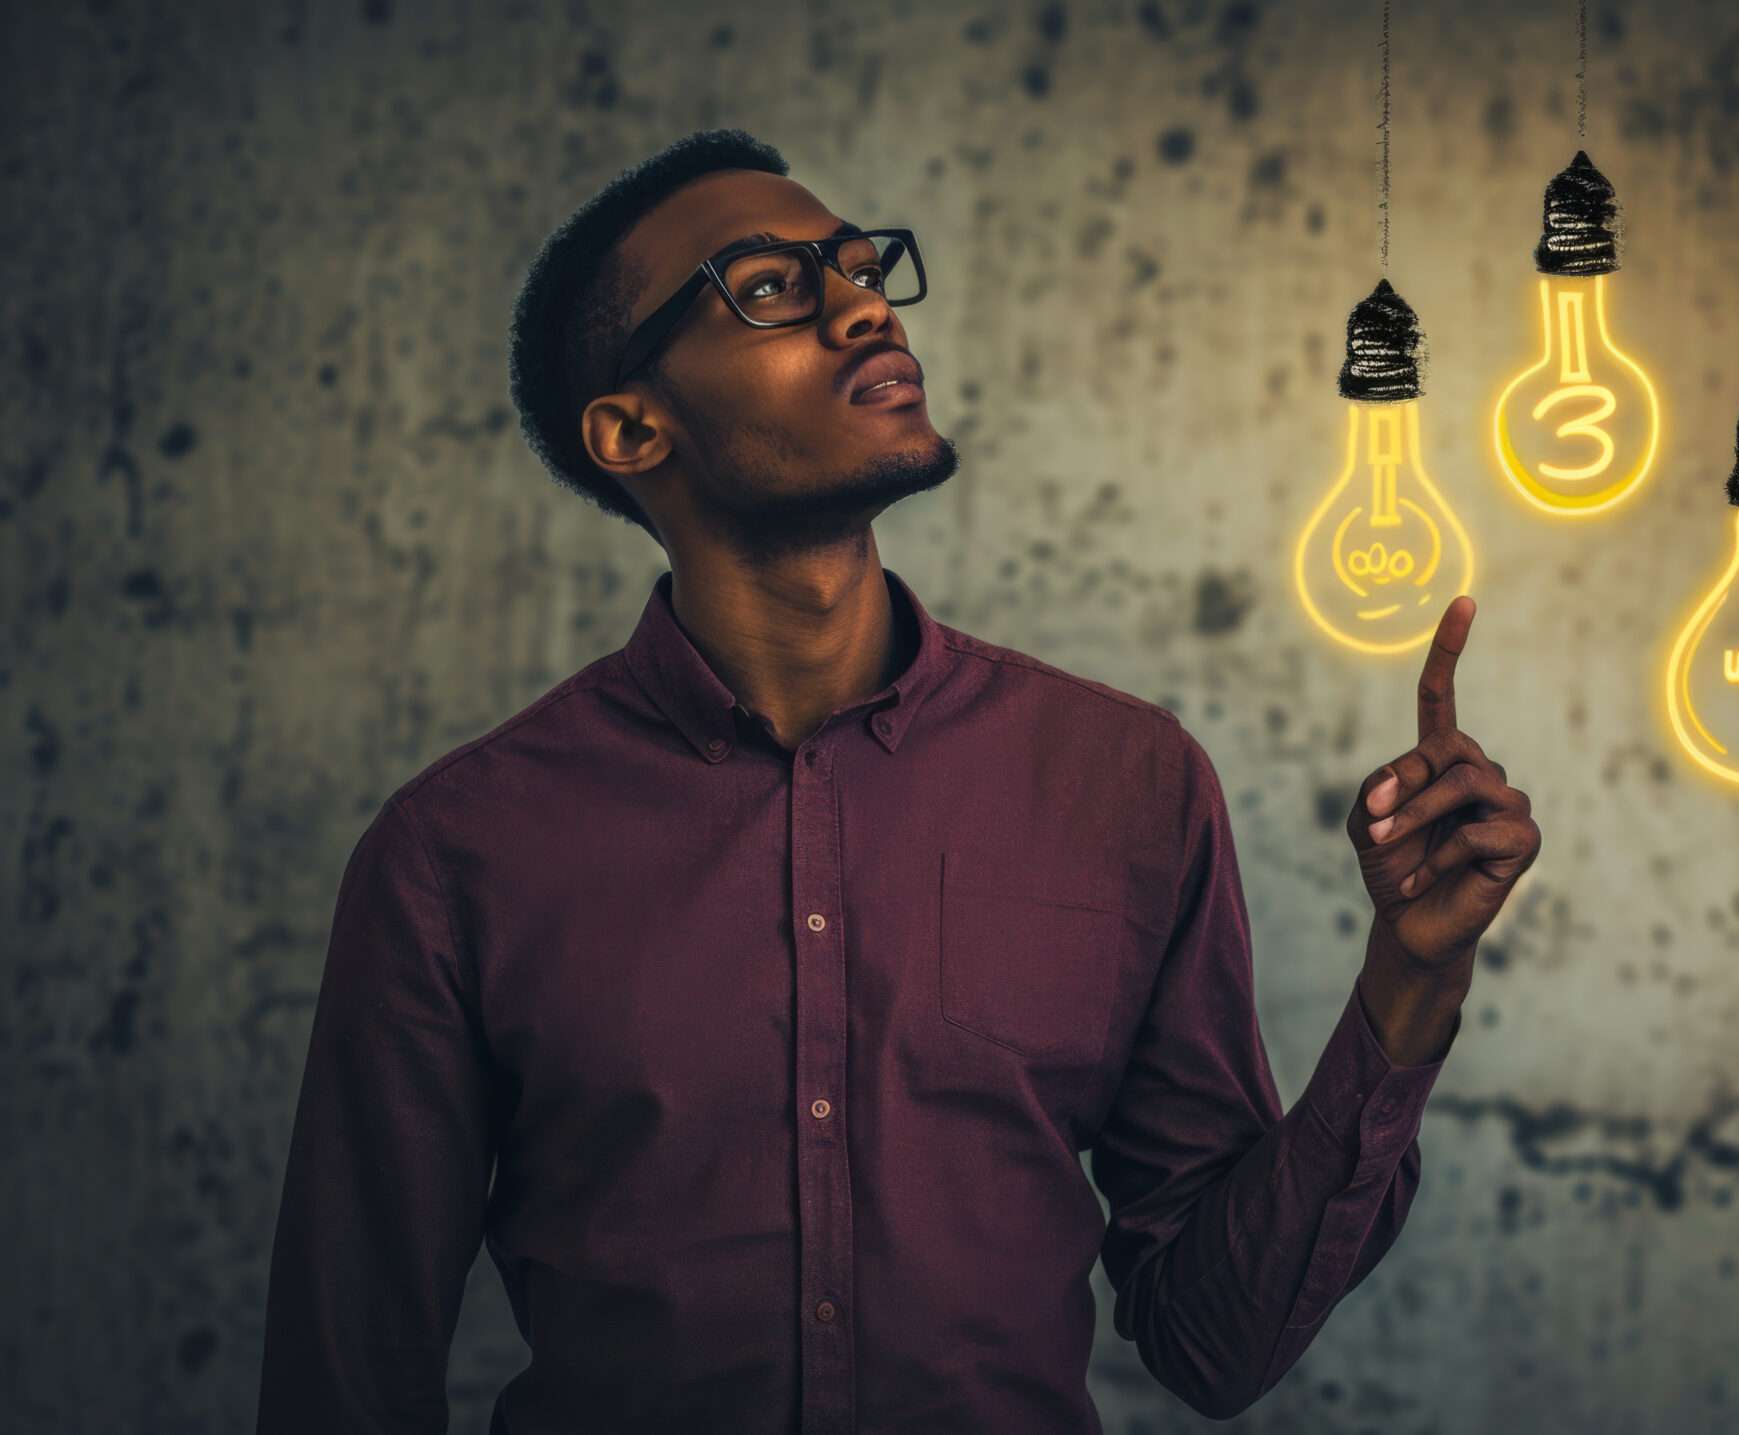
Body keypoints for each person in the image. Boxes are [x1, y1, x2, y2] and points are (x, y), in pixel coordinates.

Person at [255, 128, 1540, 1434]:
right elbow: (345, 1380)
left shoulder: (1125, 787)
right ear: (633, 428)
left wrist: (1413, 974)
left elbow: (1214, 1343)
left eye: (866, 270)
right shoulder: (457, 853)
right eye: (771, 287)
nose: (865, 305)